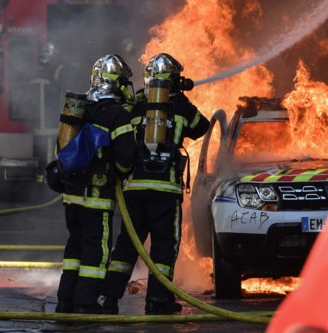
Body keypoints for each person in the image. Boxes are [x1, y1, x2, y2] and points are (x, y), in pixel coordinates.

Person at [100, 53, 210, 315]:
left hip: (134, 190)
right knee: (163, 246)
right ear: (173, 80)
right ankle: (157, 301)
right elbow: (201, 126)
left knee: (127, 246)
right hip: (165, 192)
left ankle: (109, 299)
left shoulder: (135, 106)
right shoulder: (181, 108)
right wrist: (179, 96)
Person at [52, 54, 137, 315]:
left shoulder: (81, 109)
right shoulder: (117, 115)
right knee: (95, 253)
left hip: (72, 195)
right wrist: (120, 174)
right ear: (118, 84)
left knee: (74, 248)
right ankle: (86, 305)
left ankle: (65, 302)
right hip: (97, 196)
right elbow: (126, 158)